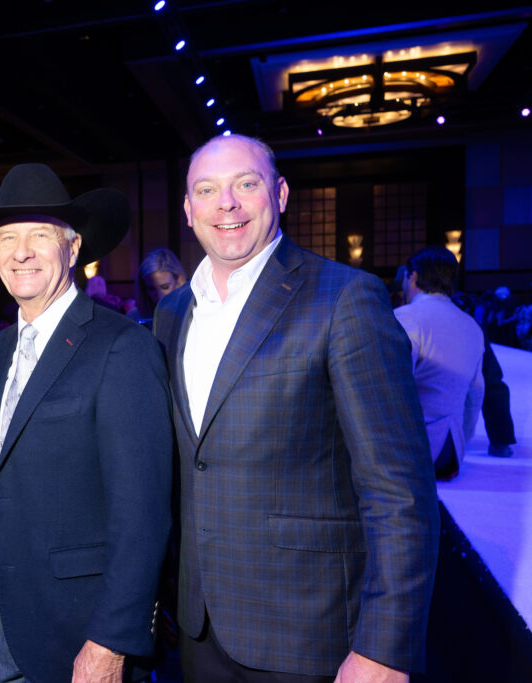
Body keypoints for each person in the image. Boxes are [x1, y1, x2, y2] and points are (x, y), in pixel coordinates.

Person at [153, 134, 439, 682]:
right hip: (198, 626)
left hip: (310, 631)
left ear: (280, 194)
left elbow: (399, 489)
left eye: (246, 184)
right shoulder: (171, 314)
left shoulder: (344, 297)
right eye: (207, 190)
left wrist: (385, 648)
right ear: (188, 211)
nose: (226, 203)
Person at [0, 163, 173, 682]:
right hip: (0, 619)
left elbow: (143, 513)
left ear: (72, 250)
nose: (20, 251)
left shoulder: (122, 347)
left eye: (39, 236)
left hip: (80, 632)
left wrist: (112, 641)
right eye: (8, 237)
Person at [395, 247, 485, 480]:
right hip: (451, 450)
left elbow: (390, 389)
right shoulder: (472, 326)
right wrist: (462, 440)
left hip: (412, 453)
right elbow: (475, 395)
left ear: (413, 276)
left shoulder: (406, 317)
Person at [130, 248, 187, 322]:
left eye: (165, 287)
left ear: (178, 281)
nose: (159, 296)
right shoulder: (134, 317)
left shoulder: (190, 313)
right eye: (151, 289)